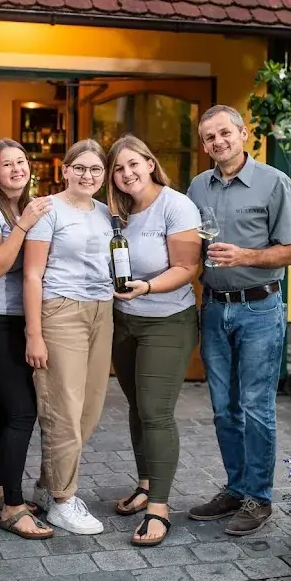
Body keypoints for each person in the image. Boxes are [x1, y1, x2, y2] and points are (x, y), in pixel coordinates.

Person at [186, 105, 291, 536]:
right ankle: (236, 488)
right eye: (209, 137)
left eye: (224, 133)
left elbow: (290, 250)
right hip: (215, 307)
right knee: (223, 409)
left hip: (259, 308)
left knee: (256, 407)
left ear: (243, 134)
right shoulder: (197, 187)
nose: (218, 142)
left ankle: (259, 497)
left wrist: (245, 256)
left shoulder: (274, 182)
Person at [106, 135, 201, 547]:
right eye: (118, 168)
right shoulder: (119, 211)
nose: (127, 174)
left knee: (155, 410)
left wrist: (145, 288)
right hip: (124, 321)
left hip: (167, 321)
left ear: (149, 162)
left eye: (133, 164)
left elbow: (186, 267)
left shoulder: (175, 204)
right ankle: (145, 483)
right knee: (136, 406)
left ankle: (159, 508)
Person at [24, 139, 114, 536]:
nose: (88, 175)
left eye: (95, 169)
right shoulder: (48, 209)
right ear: (64, 170)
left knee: (89, 409)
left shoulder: (107, 212)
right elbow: (32, 275)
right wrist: (34, 334)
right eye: (80, 168)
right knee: (63, 409)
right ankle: (63, 500)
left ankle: (49, 485)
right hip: (61, 311)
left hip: (102, 310)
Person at [0, 138, 54, 540]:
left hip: (23, 318)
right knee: (23, 409)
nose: (18, 169)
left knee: (4, 406)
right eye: (7, 164)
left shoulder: (31, 203)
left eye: (22, 161)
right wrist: (22, 225)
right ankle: (13, 507)